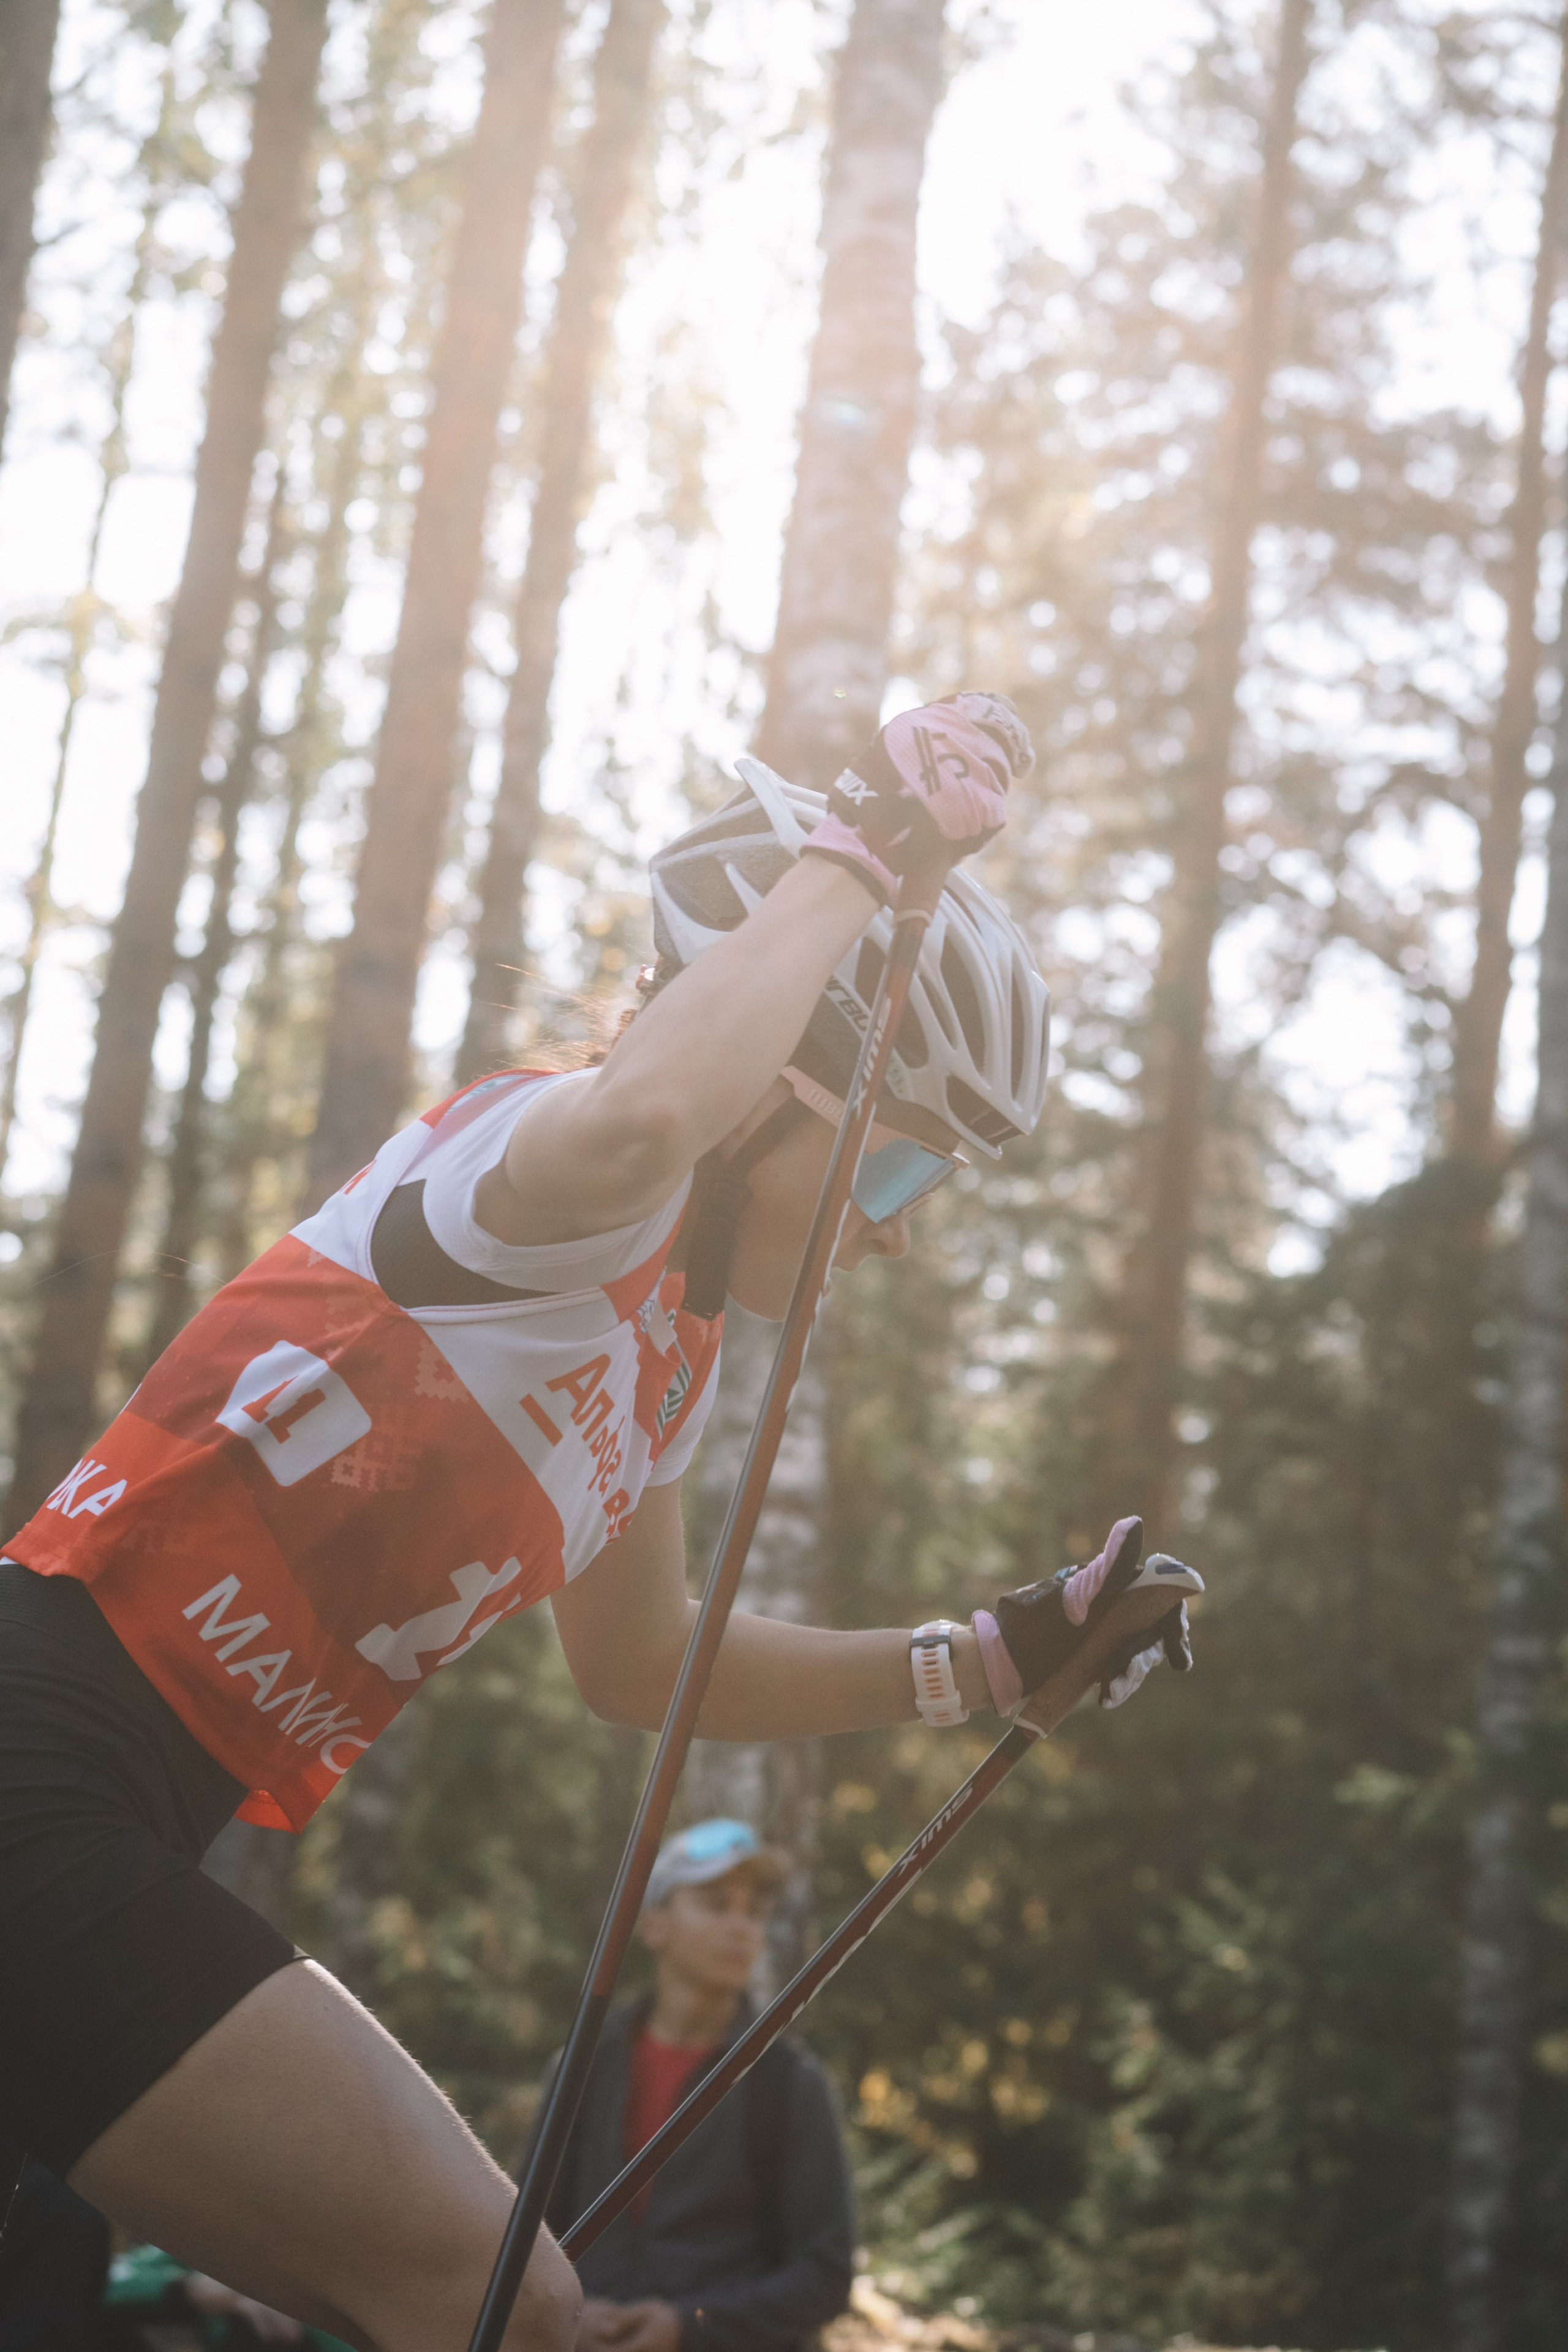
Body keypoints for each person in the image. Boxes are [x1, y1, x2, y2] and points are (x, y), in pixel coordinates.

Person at [0, 695, 1193, 2352]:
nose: (898, 1241)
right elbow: (646, 1111)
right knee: (501, 2303)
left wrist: (985, 1664)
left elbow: (647, 1667)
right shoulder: (540, 1177)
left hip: (123, 1819)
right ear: (782, 1087)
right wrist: (863, 851)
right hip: (37, 1769)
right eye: (898, 1175)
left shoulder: (666, 1366)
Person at [543, 1819, 853, 2352]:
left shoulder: (788, 2085)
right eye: (715, 1904)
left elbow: (825, 2276)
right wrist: (569, 2312)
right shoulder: (581, 2068)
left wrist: (690, 2325)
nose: (741, 1928)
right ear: (654, 1925)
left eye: (754, 1912)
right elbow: (526, 2238)